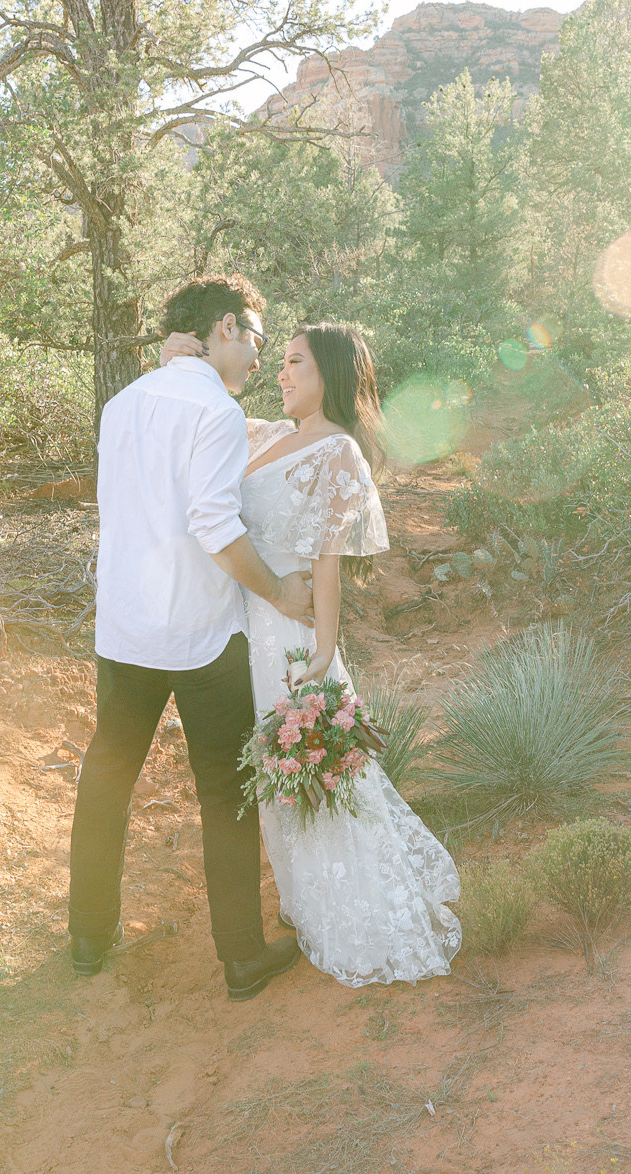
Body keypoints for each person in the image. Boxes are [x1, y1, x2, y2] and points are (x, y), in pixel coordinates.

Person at [160, 322, 461, 986]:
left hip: (290, 635)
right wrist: (186, 360)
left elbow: (326, 558)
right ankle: (306, 902)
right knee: (277, 782)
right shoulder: (270, 435)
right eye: (284, 361)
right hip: (241, 627)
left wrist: (323, 651)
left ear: (329, 372)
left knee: (320, 777)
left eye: (297, 362)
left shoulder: (339, 451)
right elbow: (210, 424)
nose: (284, 372)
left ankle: (355, 915)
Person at [68, 274, 314, 1001]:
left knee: (107, 779)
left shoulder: (122, 403)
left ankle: (88, 937)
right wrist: (277, 590)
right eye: (258, 341)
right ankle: (240, 955)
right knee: (225, 794)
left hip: (123, 627)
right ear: (228, 327)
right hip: (203, 637)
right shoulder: (212, 409)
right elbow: (214, 524)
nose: (260, 361)